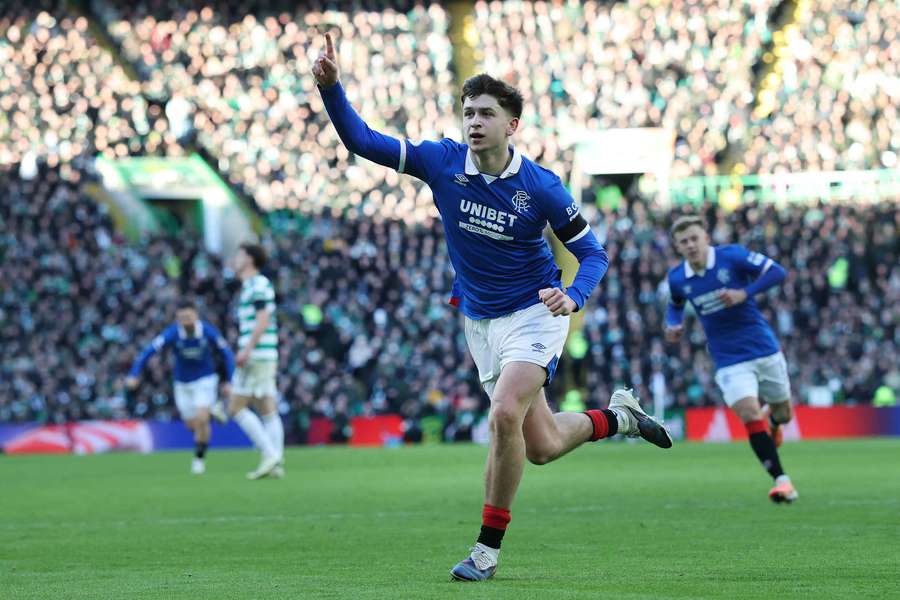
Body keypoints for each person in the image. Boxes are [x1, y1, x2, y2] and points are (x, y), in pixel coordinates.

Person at [312, 33, 672, 582]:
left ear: (512, 125)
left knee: (504, 413)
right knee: (543, 446)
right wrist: (333, 91)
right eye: (468, 112)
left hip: (536, 314)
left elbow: (592, 254)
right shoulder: (442, 162)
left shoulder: (541, 187)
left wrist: (573, 295)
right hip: (479, 322)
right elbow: (363, 141)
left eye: (485, 113)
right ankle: (619, 416)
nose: (473, 122)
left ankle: (486, 551)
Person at [664, 215, 797, 503]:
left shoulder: (732, 256)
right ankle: (782, 481)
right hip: (728, 358)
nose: (690, 245)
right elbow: (675, 306)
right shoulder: (677, 278)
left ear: (706, 238)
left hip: (763, 348)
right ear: (677, 246)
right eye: (683, 241)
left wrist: (744, 293)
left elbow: (777, 272)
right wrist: (673, 324)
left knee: (784, 414)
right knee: (748, 412)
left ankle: (773, 422)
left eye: (694, 238)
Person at [126, 299, 234, 474]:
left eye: (189, 317)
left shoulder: (207, 331)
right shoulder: (172, 333)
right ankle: (213, 410)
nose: (186, 321)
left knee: (201, 418)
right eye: (182, 318)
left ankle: (198, 460)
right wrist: (134, 373)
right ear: (177, 319)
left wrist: (230, 380)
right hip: (182, 383)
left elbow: (226, 353)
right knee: (192, 425)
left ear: (196, 316)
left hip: (205, 380)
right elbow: (149, 351)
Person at [213, 242, 285, 480]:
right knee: (267, 407)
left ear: (250, 259)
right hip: (264, 354)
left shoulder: (257, 284)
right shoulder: (250, 286)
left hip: (258, 354)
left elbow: (263, 321)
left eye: (239, 255)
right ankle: (275, 464)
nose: (235, 259)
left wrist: (246, 350)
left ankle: (270, 453)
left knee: (235, 407)